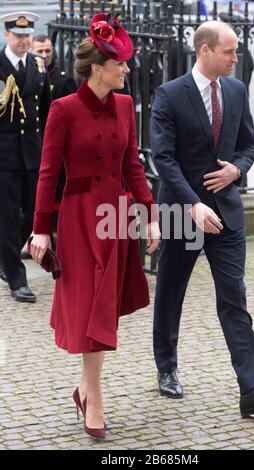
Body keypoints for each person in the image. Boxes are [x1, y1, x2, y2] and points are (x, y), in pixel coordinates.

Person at [150, 21, 254, 418]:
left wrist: (237, 171)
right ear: (205, 51)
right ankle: (167, 366)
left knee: (234, 298)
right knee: (171, 292)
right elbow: (163, 158)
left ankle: (253, 388)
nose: (235, 57)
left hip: (227, 213)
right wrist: (193, 203)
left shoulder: (236, 89)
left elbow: (249, 144)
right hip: (181, 212)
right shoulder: (169, 94)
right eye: (229, 51)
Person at [30, 12, 160, 439]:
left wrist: (150, 217)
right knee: (89, 306)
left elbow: (133, 167)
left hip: (117, 218)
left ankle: (86, 390)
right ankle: (95, 398)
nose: (127, 70)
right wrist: (41, 229)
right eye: (121, 64)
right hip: (79, 219)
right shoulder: (63, 109)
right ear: (99, 69)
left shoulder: (124, 106)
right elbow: (48, 174)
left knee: (102, 308)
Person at [0, 12, 51, 301]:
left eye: (28, 35)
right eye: (18, 36)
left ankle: (5, 258)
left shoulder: (38, 65)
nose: (24, 40)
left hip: (33, 152)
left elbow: (46, 112)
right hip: (5, 155)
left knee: (33, 212)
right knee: (7, 216)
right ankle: (17, 278)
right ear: (7, 35)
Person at [31, 34, 78, 243]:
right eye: (39, 51)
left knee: (56, 194)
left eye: (47, 51)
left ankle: (56, 236)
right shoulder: (28, 76)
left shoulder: (63, 79)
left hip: (56, 147)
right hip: (33, 145)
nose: (44, 55)